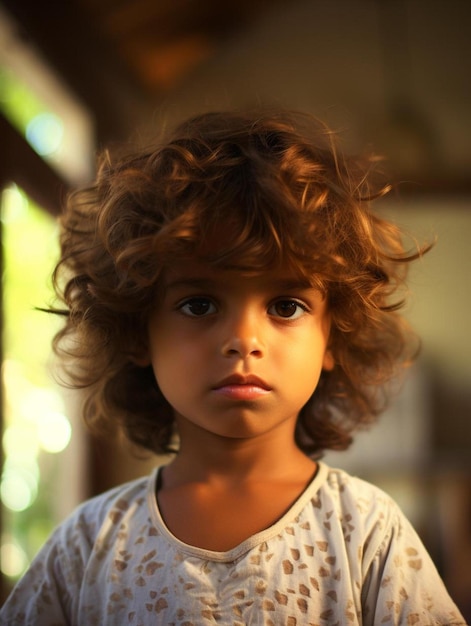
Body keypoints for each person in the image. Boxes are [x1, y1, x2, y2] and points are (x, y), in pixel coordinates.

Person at [1, 109, 466, 626]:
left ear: (333, 335)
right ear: (137, 331)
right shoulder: (87, 546)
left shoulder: (367, 532)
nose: (244, 340)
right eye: (199, 305)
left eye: (286, 306)